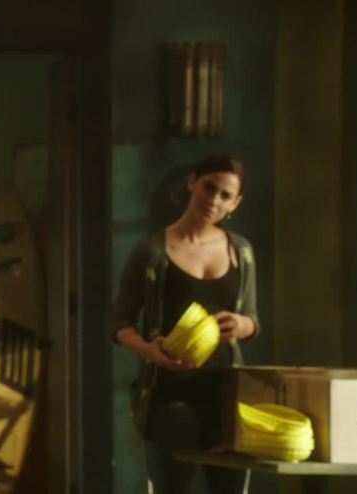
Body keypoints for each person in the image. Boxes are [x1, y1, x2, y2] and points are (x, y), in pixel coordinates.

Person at [113, 155, 258, 494]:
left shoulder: (242, 252)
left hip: (225, 396)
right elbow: (118, 322)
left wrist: (242, 324)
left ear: (235, 203)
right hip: (169, 394)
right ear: (192, 183)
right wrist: (149, 350)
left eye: (225, 195)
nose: (214, 200)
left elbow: (253, 322)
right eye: (209, 188)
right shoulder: (152, 252)